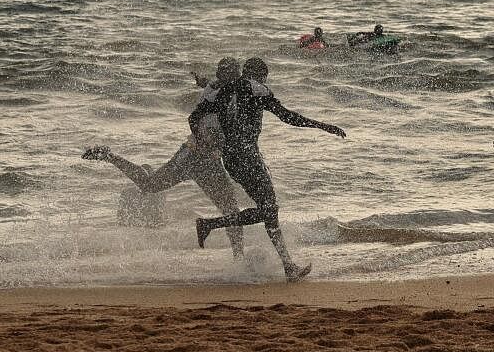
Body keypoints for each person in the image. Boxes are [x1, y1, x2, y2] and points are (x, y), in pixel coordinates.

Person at [189, 57, 345, 281]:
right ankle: (210, 224)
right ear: (259, 75)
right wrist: (322, 126)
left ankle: (288, 266)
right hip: (248, 157)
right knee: (269, 210)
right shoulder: (257, 89)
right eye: (264, 76)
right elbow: (287, 117)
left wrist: (202, 141)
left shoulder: (222, 91)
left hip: (231, 160)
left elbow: (194, 117)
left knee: (269, 211)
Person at [84, 57, 245, 258]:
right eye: (232, 75)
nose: (237, 79)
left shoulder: (218, 87)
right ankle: (109, 156)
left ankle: (239, 259)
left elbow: (210, 85)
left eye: (237, 75)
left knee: (230, 209)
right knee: (149, 186)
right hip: (190, 156)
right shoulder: (217, 96)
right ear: (223, 76)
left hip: (211, 163)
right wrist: (206, 139)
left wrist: (202, 81)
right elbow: (196, 119)